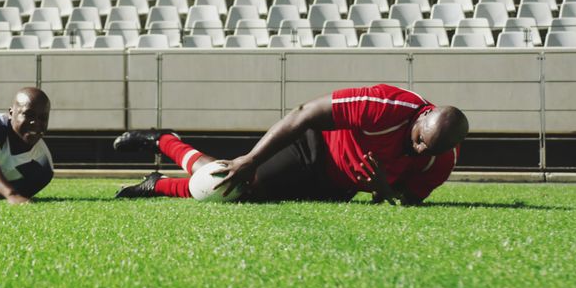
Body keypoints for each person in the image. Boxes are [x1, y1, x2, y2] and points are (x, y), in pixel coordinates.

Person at [113, 84, 469, 205]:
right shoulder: (386, 105)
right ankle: (159, 181)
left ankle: (164, 142)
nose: (421, 151)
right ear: (423, 116)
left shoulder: (440, 159)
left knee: (229, 182)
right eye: (421, 141)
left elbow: (409, 199)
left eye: (431, 150)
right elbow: (306, 113)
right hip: (314, 148)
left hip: (337, 187)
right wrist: (252, 159)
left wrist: (384, 189)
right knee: (237, 184)